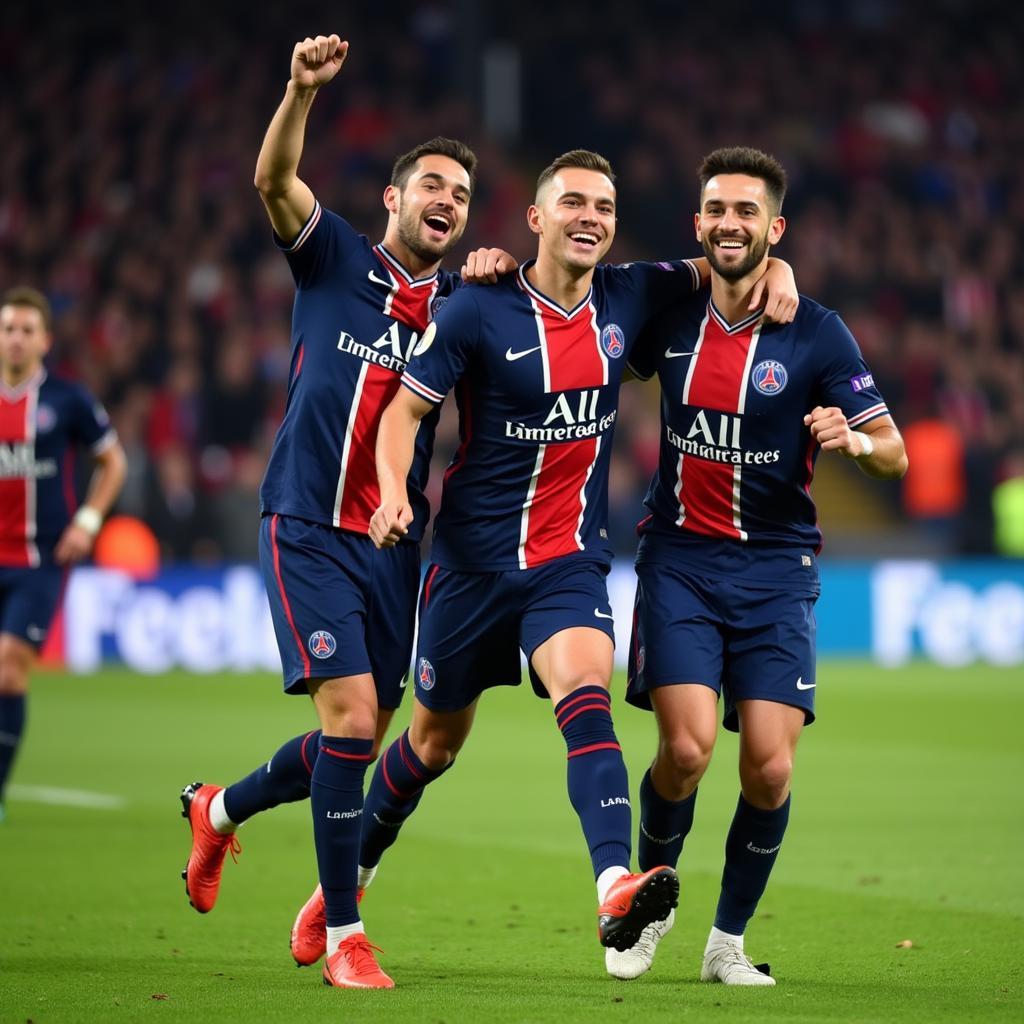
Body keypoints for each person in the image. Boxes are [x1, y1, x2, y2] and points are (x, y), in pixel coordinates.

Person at [359, 149, 799, 970]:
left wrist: (784, 272)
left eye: (603, 204)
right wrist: (392, 494)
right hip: (469, 568)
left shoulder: (632, 294)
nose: (589, 216)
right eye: (571, 203)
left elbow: (729, 254)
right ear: (536, 219)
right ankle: (347, 879)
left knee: (584, 688)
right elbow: (400, 418)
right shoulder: (476, 306)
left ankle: (613, 888)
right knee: (431, 746)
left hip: (568, 561)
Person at [177, 33, 511, 991]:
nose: (444, 201)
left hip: (395, 546)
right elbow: (274, 177)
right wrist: (298, 93)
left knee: (348, 738)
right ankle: (346, 937)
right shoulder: (334, 259)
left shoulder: (461, 309)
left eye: (458, 192)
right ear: (393, 200)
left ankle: (221, 811)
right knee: (356, 719)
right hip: (308, 522)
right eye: (429, 187)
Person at [605, 146, 908, 985]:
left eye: (748, 212)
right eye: (717, 210)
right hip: (680, 562)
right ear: (697, 222)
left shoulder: (816, 329)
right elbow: (578, 302)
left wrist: (854, 440)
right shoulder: (671, 307)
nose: (730, 223)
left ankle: (726, 944)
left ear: (774, 228)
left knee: (770, 765)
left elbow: (896, 453)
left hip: (776, 569)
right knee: (689, 750)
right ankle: (643, 907)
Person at [0, 287, 126, 820]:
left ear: (45, 340)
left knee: (8, 671)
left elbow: (112, 462)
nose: (16, 339)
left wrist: (89, 522)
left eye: (27, 330)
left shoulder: (67, 400)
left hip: (39, 562)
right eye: (8, 328)